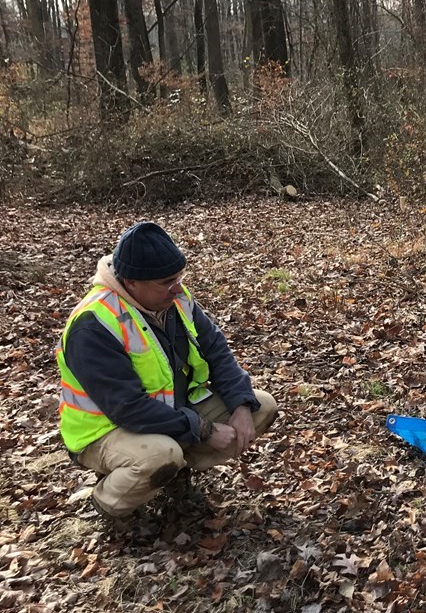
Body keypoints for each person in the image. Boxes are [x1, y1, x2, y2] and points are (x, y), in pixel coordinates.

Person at [56, 221, 278, 519]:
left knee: (260, 406)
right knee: (160, 456)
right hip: (104, 430)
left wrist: (239, 403)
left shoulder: (176, 298)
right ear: (132, 282)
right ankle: (107, 503)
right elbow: (128, 408)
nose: (178, 287)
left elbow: (217, 350)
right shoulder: (94, 324)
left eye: (179, 278)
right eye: (166, 282)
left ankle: (174, 478)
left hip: (170, 413)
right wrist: (203, 429)